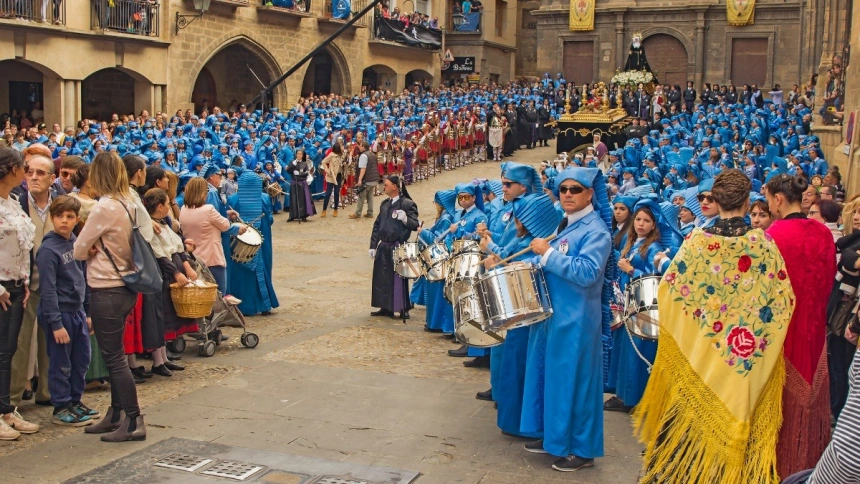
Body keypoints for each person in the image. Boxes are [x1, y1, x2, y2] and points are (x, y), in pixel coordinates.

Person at [634, 169, 796, 483]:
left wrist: (702, 330)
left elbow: (669, 293)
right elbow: (783, 303)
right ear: (748, 202)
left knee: (686, 444)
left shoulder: (696, 244)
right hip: (742, 365)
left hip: (699, 360)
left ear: (716, 201)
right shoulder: (763, 246)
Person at [521, 167, 612, 472]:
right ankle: (555, 437)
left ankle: (582, 449)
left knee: (578, 384)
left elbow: (587, 272)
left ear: (590, 193)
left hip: (578, 321)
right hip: (556, 316)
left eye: (575, 189)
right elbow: (551, 259)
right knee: (554, 379)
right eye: (563, 190)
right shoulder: (568, 224)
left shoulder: (596, 230)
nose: (568, 194)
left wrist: (547, 254)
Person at [765, 173, 837, 477]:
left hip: (782, 334)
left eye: (768, 199)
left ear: (778, 199)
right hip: (815, 330)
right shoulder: (822, 234)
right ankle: (810, 467)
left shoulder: (771, 237)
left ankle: (777, 465)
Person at [73, 152, 145, 442]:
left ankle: (133, 418)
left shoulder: (105, 207)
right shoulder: (131, 203)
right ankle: (116, 414)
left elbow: (79, 248)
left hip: (106, 286)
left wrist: (90, 249)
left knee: (114, 358)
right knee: (115, 353)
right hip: (127, 285)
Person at [480, 194, 560, 439]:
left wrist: (496, 263)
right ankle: (511, 417)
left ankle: (519, 422)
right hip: (516, 313)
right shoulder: (523, 238)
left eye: (520, 217)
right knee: (512, 365)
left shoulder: (541, 242)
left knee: (521, 365)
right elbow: (508, 254)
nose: (515, 221)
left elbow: (527, 270)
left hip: (527, 312)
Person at [35, 195, 97, 427]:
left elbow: (83, 277)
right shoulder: (48, 250)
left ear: (76, 219)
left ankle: (75, 400)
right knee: (61, 361)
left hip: (77, 310)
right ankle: (61, 405)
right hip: (59, 313)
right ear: (52, 218)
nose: (64, 221)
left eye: (69, 217)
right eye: (59, 216)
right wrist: (56, 323)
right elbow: (48, 290)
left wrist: (88, 311)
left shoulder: (75, 243)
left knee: (81, 359)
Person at [603, 199, 666, 413]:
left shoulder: (653, 247)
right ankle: (623, 394)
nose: (640, 224)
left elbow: (656, 277)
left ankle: (635, 398)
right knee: (624, 349)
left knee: (637, 351)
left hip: (642, 305)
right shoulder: (631, 242)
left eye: (646, 221)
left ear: (654, 225)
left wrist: (631, 271)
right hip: (626, 303)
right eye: (638, 219)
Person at [10, 154, 54, 410]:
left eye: (40, 173)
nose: (34, 177)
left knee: (50, 342)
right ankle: (12, 400)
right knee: (20, 345)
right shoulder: (17, 204)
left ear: (51, 178)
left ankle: (47, 391)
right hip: (25, 285)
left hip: (52, 286)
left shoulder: (60, 205)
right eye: (30, 172)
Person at [0, 148, 39, 441]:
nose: (25, 173)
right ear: (10, 169)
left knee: (8, 352)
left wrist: (24, 281)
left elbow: (22, 247)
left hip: (16, 285)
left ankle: (5, 409)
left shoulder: (13, 202)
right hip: (1, 287)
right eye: (23, 167)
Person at [141, 188, 194, 376]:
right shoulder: (151, 227)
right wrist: (176, 272)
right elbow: (160, 254)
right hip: (163, 275)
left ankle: (163, 358)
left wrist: (186, 267)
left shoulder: (162, 223)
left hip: (172, 270)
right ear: (161, 206)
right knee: (160, 317)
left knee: (166, 316)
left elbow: (177, 246)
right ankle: (158, 360)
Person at [226, 158, 280, 316]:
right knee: (262, 270)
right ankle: (264, 304)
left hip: (240, 242)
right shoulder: (263, 198)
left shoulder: (233, 199)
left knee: (241, 273)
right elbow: (269, 219)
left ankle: (243, 306)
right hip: (262, 241)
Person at [179, 178, 244, 295]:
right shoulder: (208, 210)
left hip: (193, 259)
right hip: (212, 259)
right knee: (219, 295)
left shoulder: (183, 209)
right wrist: (239, 229)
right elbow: (225, 226)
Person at [369, 175, 419, 319]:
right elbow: (377, 225)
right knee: (381, 277)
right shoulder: (385, 204)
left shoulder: (408, 204)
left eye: (387, 184)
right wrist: (373, 245)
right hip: (383, 245)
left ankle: (402, 307)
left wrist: (405, 219)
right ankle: (384, 306)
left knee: (397, 278)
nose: (384, 186)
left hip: (398, 246)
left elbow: (415, 225)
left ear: (395, 187)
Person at [417, 190, 456, 334]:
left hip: (439, 259)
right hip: (437, 259)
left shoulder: (446, 219)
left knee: (438, 294)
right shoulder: (445, 216)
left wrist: (422, 232)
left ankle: (436, 323)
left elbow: (437, 239)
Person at [285, 149, 316, 222]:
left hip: (301, 183)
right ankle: (292, 215)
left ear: (302, 155)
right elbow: (288, 171)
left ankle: (303, 215)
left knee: (302, 200)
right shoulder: (292, 162)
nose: (299, 155)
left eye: (301, 154)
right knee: (293, 199)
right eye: (298, 154)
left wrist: (299, 173)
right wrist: (293, 164)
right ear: (296, 154)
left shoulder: (304, 163)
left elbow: (306, 173)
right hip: (294, 183)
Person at [351, 141, 379, 220]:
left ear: (363, 147)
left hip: (367, 180)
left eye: (360, 145)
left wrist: (359, 180)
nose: (359, 147)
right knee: (370, 197)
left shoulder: (363, 156)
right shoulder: (372, 154)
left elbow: (363, 169)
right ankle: (370, 212)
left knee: (361, 197)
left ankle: (357, 213)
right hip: (374, 179)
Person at [320, 143, 344, 218]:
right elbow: (323, 162)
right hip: (331, 175)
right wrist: (327, 171)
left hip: (339, 175)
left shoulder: (342, 155)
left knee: (336, 192)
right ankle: (324, 210)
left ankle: (335, 209)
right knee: (328, 193)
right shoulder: (331, 155)